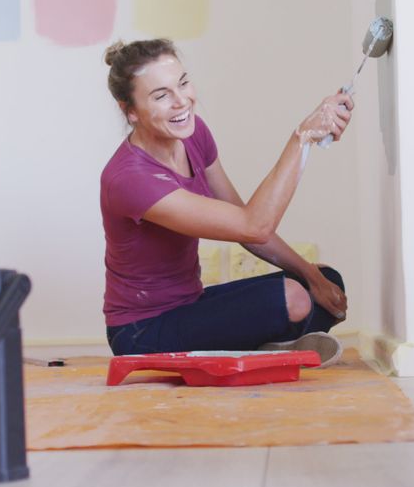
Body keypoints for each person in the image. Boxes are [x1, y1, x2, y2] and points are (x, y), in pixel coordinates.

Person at [100, 38, 354, 365]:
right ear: (130, 110)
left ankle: (267, 348)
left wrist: (313, 276)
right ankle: (269, 348)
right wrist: (302, 137)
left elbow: (242, 221)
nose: (182, 102)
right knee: (292, 298)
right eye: (161, 95)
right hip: (141, 330)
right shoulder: (129, 178)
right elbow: (254, 226)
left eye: (183, 83)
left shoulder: (193, 135)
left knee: (325, 279)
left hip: (191, 303)